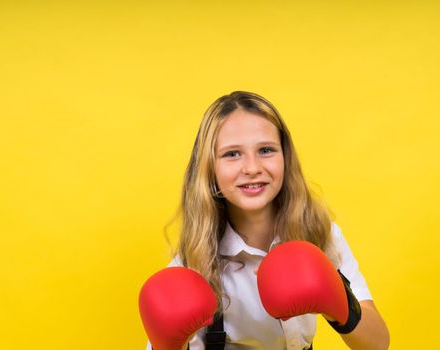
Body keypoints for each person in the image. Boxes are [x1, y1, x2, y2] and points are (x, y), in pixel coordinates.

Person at [143, 91, 389, 350]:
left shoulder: (318, 234)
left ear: (285, 157)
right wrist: (167, 345)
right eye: (232, 154)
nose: (252, 167)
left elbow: (378, 344)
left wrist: (340, 305)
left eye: (266, 150)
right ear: (209, 168)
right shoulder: (193, 262)